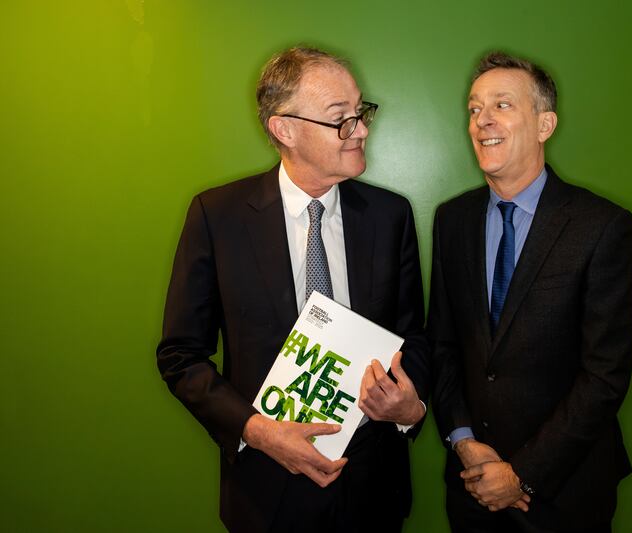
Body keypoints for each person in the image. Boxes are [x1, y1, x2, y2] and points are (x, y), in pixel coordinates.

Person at [157, 46, 428, 533]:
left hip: (372, 490)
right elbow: (181, 355)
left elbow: (415, 340)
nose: (362, 129)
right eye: (339, 118)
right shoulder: (217, 218)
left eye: (360, 112)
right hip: (266, 494)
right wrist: (257, 432)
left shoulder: (392, 217)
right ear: (285, 129)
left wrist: (412, 407)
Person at [429, 51, 632, 533]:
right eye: (474, 108)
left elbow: (604, 376)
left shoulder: (601, 226)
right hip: (472, 487)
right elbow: (443, 346)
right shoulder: (453, 220)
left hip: (564, 493)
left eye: (502, 105)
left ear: (545, 124)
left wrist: (521, 474)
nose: (482, 120)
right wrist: (463, 442)